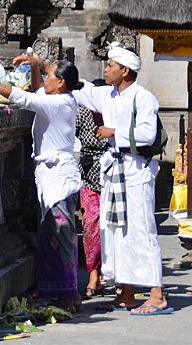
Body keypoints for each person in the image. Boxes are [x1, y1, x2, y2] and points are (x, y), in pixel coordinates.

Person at [73, 42, 171, 315]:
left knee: (142, 230)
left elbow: (147, 134)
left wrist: (113, 131)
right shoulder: (109, 95)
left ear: (125, 70)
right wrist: (48, 70)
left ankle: (157, 294)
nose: (105, 69)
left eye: (110, 66)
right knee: (117, 232)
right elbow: (84, 92)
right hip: (115, 172)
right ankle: (126, 294)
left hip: (136, 172)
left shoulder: (144, 97)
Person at [0, 55, 83, 313]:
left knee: (62, 237)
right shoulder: (58, 98)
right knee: (54, 235)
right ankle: (70, 295)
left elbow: (26, 98)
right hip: (54, 177)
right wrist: (36, 66)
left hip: (58, 179)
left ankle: (67, 296)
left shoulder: (59, 104)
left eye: (49, 76)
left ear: (61, 83)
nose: (45, 80)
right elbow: (37, 91)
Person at [75, 103, 109, 299]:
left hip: (114, 179)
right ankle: (93, 277)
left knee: (114, 228)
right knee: (90, 225)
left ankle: (119, 278)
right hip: (89, 179)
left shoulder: (114, 110)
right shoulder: (82, 114)